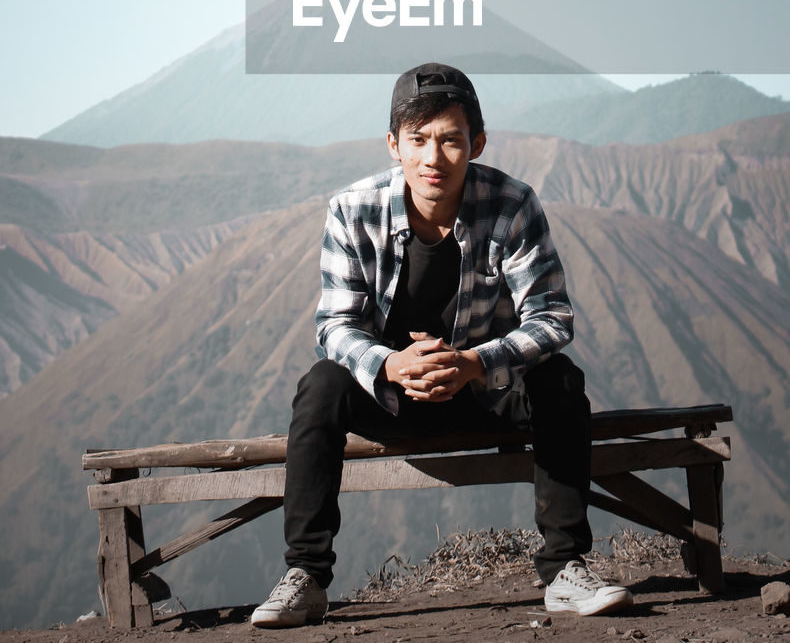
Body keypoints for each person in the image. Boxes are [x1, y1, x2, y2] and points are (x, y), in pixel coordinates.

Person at [251, 63, 632, 627]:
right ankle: (306, 577)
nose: (434, 158)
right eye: (418, 140)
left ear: (476, 142)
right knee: (321, 386)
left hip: (484, 390)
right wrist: (391, 364)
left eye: (451, 139)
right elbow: (334, 326)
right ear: (393, 145)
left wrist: (476, 362)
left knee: (560, 380)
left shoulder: (512, 206)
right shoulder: (352, 210)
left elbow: (551, 317)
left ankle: (564, 571)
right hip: (392, 397)